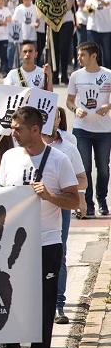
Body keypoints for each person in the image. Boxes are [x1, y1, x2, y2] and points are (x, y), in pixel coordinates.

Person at [0, 107, 80, 348]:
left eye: (18, 129)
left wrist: (50, 197)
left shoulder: (59, 160)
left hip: (46, 242)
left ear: (34, 129)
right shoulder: (9, 157)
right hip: (14, 244)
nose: (13, 133)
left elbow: (75, 201)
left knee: (43, 305)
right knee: (9, 300)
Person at [43, 107, 86, 324]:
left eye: (54, 115)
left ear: (60, 119)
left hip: (60, 211)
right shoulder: (19, 151)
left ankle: (58, 306)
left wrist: (73, 195)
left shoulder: (67, 148)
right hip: (30, 213)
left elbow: (82, 180)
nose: (49, 118)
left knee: (58, 256)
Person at [66, 41, 111, 217]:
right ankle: (88, 202)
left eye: (82, 55)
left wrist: (108, 106)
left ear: (94, 56)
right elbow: (69, 100)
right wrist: (74, 108)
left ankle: (102, 199)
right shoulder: (76, 76)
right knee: (84, 168)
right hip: (81, 129)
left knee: (103, 168)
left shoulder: (107, 75)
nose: (79, 58)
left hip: (104, 130)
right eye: (78, 55)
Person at [84, 0, 111, 67]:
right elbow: (86, 8)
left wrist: (101, 1)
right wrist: (90, 10)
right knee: (93, 52)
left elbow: (107, 4)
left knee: (106, 53)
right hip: (93, 27)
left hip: (106, 28)